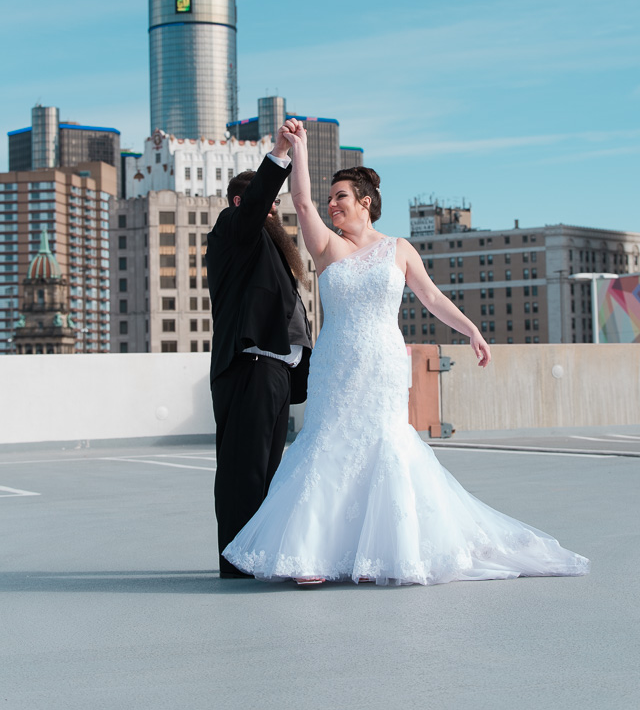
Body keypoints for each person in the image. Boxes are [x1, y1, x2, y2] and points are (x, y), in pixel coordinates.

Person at [222, 119, 589, 586]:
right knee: (328, 444)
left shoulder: (399, 249)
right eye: (330, 198)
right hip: (336, 364)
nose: (332, 205)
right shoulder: (327, 248)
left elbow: (433, 299)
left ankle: (384, 552)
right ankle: (311, 556)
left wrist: (471, 330)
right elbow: (299, 201)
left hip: (382, 364)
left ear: (365, 203)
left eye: (341, 198)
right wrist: (298, 151)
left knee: (384, 445)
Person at [206, 127, 312, 578]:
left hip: (272, 371)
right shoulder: (233, 228)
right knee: (244, 472)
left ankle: (256, 554)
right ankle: (236, 560)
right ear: (240, 204)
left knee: (267, 472)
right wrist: (280, 156)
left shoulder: (264, 244)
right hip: (249, 367)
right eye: (267, 203)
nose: (273, 210)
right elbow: (254, 205)